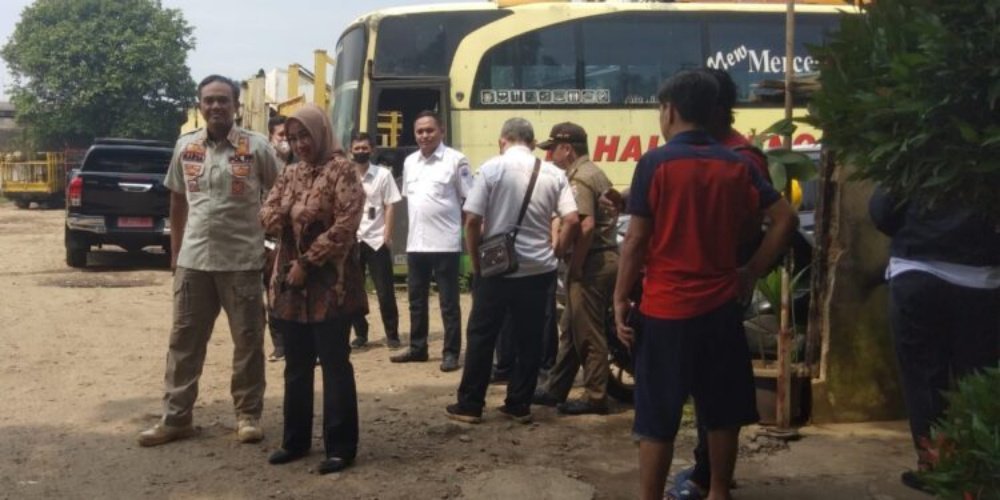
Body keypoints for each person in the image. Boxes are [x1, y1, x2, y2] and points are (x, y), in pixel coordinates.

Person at [613, 70, 797, 500]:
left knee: (657, 418)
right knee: (721, 411)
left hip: (665, 310)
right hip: (720, 309)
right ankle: (717, 491)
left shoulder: (655, 163)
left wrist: (620, 297)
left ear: (670, 110)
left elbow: (636, 240)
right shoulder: (737, 164)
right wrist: (751, 270)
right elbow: (785, 219)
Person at [138, 75, 278, 447]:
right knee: (184, 341)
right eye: (209, 100)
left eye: (223, 100)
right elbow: (177, 200)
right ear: (200, 105)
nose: (216, 106)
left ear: (236, 105)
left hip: (242, 261)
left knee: (248, 342)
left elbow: (280, 193)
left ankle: (248, 416)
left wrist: (272, 243)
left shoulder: (257, 147)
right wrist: (176, 253)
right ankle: (176, 418)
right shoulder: (186, 147)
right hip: (194, 261)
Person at [663, 67, 772, 500]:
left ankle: (709, 478)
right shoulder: (716, 153)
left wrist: (750, 269)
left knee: (714, 392)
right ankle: (708, 472)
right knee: (706, 389)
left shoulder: (740, 158)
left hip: (717, 291)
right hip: (703, 289)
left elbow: (766, 221)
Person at [445, 117, 579, 424]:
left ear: (502, 141)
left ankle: (470, 405)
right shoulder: (553, 173)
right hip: (539, 270)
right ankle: (519, 405)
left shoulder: (491, 169)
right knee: (529, 338)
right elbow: (571, 219)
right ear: (532, 143)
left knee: (482, 335)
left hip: (497, 269)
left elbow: (472, 220)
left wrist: (476, 262)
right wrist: (557, 250)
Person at [259, 104, 367, 474]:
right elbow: (266, 216)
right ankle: (295, 441)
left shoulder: (342, 170)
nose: (300, 144)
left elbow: (345, 226)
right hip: (291, 286)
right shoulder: (290, 173)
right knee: (297, 366)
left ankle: (340, 447)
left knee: (335, 365)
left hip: (331, 284)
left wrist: (307, 264)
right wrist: (290, 210)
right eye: (293, 138)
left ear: (320, 132)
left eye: (305, 135)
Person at [869, 189, 999, 493]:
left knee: (924, 378)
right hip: (983, 281)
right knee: (978, 377)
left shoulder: (916, 162)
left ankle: (936, 466)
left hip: (918, 273)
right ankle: (979, 469)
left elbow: (883, 212)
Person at [533, 122, 618, 416]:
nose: (550, 156)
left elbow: (586, 225)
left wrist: (576, 265)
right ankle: (555, 388)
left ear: (567, 149)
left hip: (592, 263)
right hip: (600, 258)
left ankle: (596, 396)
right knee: (571, 328)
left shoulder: (579, 178)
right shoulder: (593, 172)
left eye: (553, 150)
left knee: (588, 333)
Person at [391, 111, 472, 372]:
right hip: (417, 243)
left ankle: (451, 353)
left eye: (429, 130)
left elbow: (469, 200)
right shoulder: (410, 162)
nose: (424, 135)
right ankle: (418, 348)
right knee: (416, 300)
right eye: (420, 131)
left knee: (448, 302)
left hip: (445, 244)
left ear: (442, 131)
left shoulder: (456, 160)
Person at [349, 132, 403, 350]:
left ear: (372, 150)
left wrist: (387, 235)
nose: (361, 152)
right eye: (357, 148)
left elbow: (390, 205)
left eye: (364, 148)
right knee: (354, 292)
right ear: (350, 150)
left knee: (385, 291)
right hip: (353, 240)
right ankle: (360, 333)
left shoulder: (383, 175)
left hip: (376, 239)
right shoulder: (345, 176)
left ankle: (392, 335)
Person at [265, 114, 291, 362]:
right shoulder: (264, 163)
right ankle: (280, 345)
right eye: (281, 135)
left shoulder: (301, 160)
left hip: (294, 238)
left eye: (289, 136)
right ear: (271, 137)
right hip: (269, 238)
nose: (286, 140)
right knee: (272, 290)